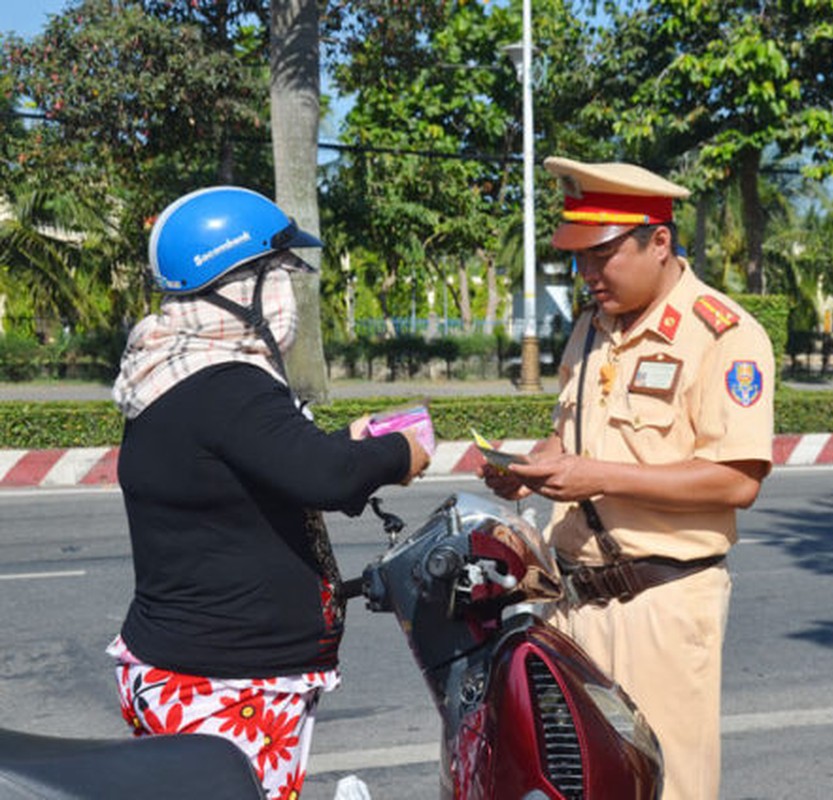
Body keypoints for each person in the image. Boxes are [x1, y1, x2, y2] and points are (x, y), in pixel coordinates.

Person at [107, 186, 430, 798]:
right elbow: (326, 478)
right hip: (224, 683)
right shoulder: (226, 382)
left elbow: (272, 459)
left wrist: (347, 439)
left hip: (192, 668)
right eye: (277, 273)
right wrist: (398, 453)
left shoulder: (176, 368)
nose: (288, 293)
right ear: (238, 283)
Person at [480, 157, 774, 800]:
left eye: (603, 254)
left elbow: (736, 482)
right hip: (572, 603)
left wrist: (597, 477)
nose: (587, 274)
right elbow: (573, 431)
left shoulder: (722, 335)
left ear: (659, 241)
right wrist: (530, 469)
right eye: (579, 258)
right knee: (577, 784)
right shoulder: (592, 327)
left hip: (659, 606)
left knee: (664, 786)